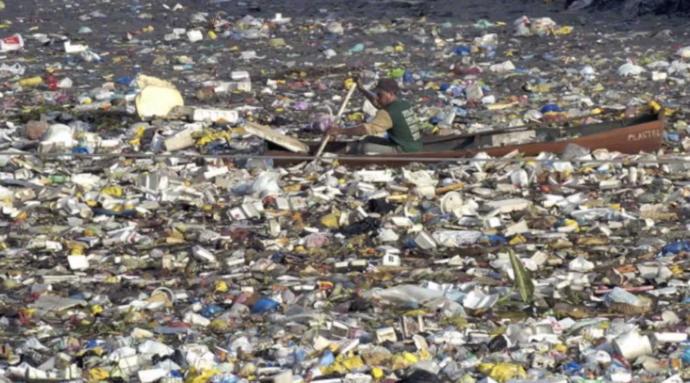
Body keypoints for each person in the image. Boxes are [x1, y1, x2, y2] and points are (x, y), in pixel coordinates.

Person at [326, 78, 423, 154]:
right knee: (368, 139)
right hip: (413, 145)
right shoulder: (403, 104)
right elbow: (377, 103)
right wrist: (362, 89)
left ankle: (341, 154)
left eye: (380, 95)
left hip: (404, 150)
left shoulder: (388, 112)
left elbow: (366, 129)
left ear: (390, 93)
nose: (377, 97)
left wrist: (339, 131)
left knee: (365, 147)